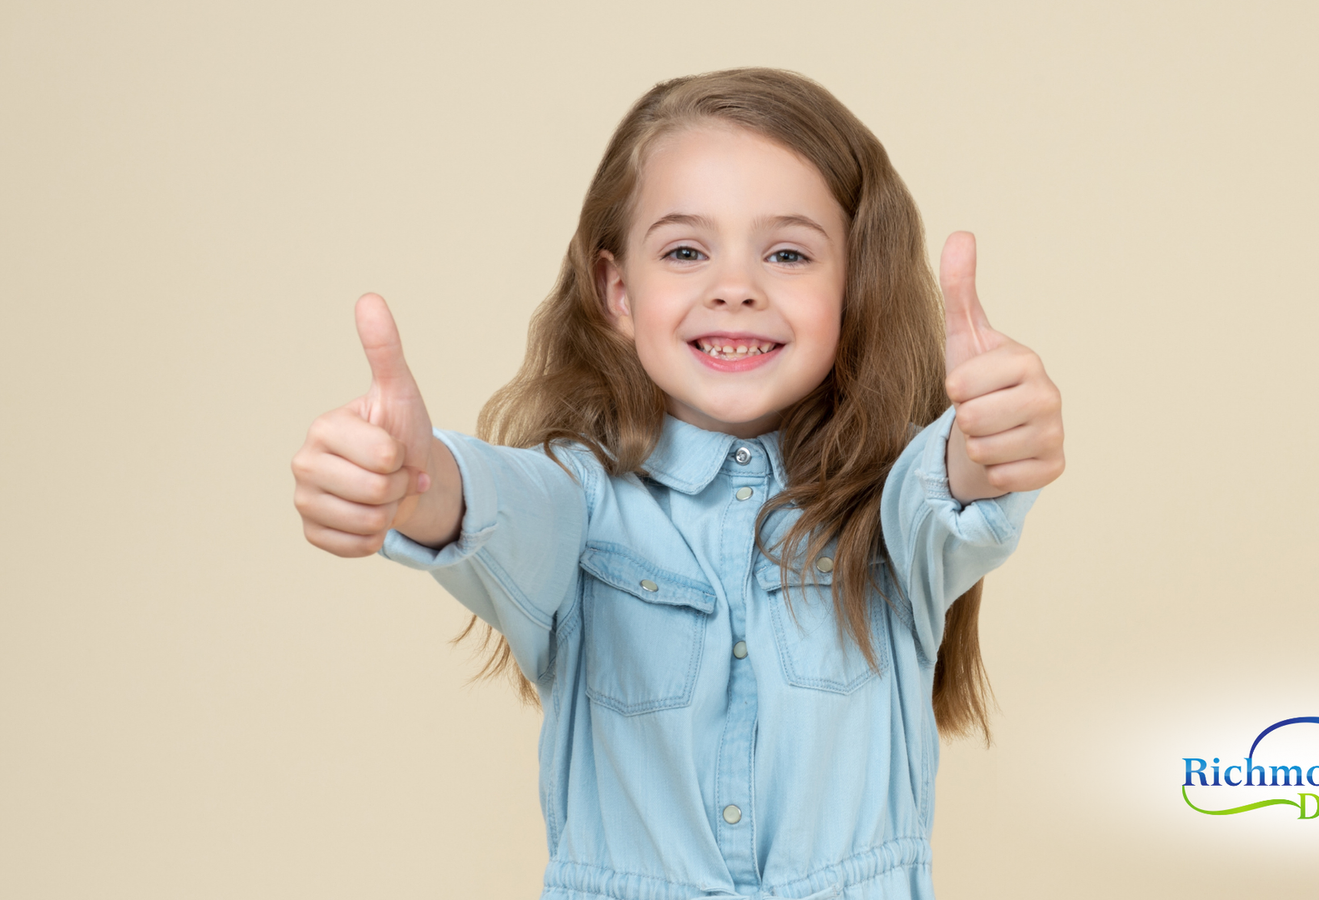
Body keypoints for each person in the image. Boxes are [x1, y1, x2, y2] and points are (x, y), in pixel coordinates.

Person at [291, 67, 1065, 900]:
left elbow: (948, 486)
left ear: (854, 288)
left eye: (789, 253)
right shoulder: (580, 501)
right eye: (687, 251)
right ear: (619, 292)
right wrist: (412, 480)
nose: (735, 285)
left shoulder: (886, 506)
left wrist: (993, 436)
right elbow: (499, 504)